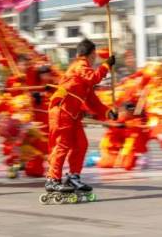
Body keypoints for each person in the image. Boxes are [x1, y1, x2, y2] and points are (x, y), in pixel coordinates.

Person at [45, 39, 117, 194]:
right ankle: (53, 179)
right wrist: (106, 66)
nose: (95, 58)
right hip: (62, 110)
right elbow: (94, 78)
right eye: (95, 55)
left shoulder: (84, 74)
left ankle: (73, 176)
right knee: (62, 145)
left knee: (81, 144)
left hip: (73, 114)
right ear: (91, 54)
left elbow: (93, 101)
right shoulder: (80, 66)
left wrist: (108, 112)